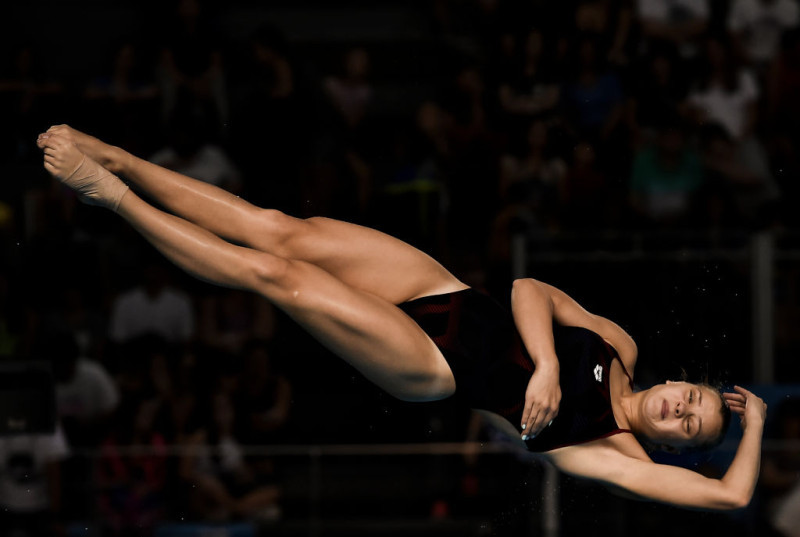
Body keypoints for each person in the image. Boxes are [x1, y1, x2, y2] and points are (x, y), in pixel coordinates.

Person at [36, 125, 766, 510]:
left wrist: (754, 422)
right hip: (445, 291)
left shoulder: (618, 454)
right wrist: (547, 364)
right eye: (692, 401)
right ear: (682, 381)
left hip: (433, 365)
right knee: (280, 229)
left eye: (687, 427)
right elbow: (528, 288)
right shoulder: (619, 345)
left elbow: (731, 496)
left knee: (276, 277)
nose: (678, 411)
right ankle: (122, 158)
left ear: (671, 445)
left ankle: (109, 196)